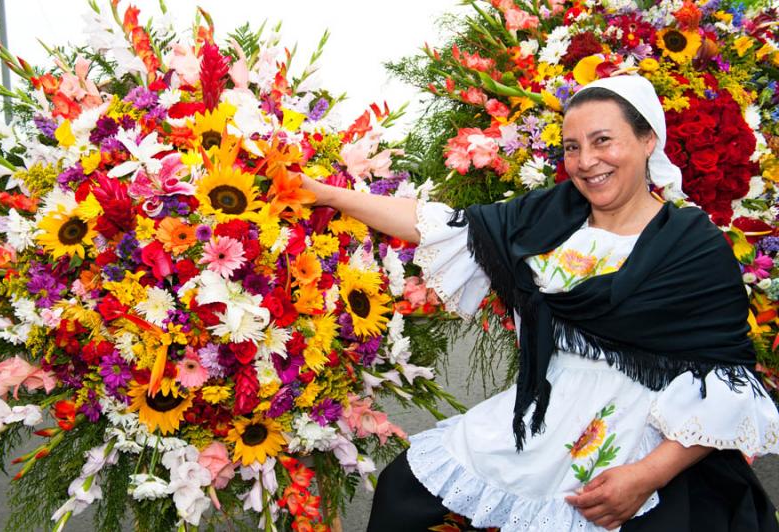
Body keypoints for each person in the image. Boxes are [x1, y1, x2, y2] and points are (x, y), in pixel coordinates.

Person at [301, 74, 779, 531]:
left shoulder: (692, 244)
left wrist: (648, 475)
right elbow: (439, 224)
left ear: (648, 140)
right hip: (543, 410)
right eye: (573, 147)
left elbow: (727, 378)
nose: (586, 161)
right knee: (401, 491)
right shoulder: (553, 214)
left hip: (645, 435)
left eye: (602, 140)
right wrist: (326, 195)